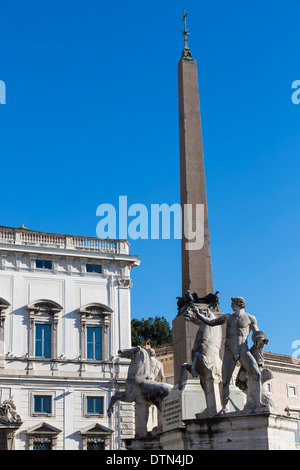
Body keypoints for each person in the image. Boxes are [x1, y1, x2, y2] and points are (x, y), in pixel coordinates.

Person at [184, 296, 266, 413]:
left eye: (232, 303)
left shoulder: (250, 318)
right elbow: (210, 322)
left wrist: (261, 338)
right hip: (229, 350)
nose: (231, 305)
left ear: (238, 303)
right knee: (226, 381)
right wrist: (197, 315)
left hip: (243, 349)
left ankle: (259, 402)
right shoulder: (227, 317)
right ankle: (225, 407)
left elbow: (256, 332)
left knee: (256, 374)